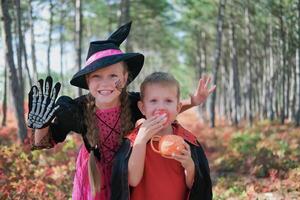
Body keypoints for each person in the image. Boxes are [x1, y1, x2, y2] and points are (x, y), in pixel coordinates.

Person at [27, 22, 215, 200]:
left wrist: (193, 101)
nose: (105, 83)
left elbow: (161, 111)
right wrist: (41, 125)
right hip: (94, 177)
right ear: (87, 82)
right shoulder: (77, 109)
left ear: (125, 79)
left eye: (113, 76)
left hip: (128, 169)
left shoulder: (133, 103)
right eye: (97, 77)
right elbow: (42, 143)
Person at [111, 72, 212, 200]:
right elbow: (132, 180)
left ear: (177, 107)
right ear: (142, 108)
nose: (161, 107)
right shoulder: (134, 140)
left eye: (168, 101)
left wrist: (189, 165)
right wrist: (140, 141)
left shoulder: (186, 141)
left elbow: (195, 187)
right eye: (153, 101)